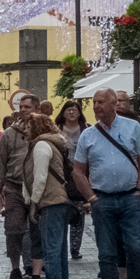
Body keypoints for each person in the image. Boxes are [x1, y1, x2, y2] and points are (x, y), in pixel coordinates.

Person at [73, 88, 140, 279]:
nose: (96, 106)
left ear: (113, 103)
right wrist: (92, 197)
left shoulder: (132, 127)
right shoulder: (87, 135)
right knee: (106, 254)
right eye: (94, 102)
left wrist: (139, 189)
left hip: (130, 198)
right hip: (103, 200)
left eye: (100, 102)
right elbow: (78, 171)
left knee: (135, 249)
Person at [0, 94, 44, 279]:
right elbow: (0, 163)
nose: (22, 109)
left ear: (36, 108)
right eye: (21, 106)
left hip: (38, 188)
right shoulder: (9, 134)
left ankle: (37, 273)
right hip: (14, 187)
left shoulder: (44, 131)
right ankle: (15, 270)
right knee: (12, 230)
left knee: (37, 231)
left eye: (27, 106)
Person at [24, 113, 71, 279]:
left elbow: (40, 177)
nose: (25, 130)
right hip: (60, 199)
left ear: (36, 128)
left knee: (50, 247)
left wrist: (34, 201)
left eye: (28, 127)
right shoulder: (53, 144)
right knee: (58, 248)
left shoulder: (41, 145)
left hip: (50, 200)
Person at [55, 100, 90, 259]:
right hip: (61, 175)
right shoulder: (57, 131)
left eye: (74, 110)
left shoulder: (86, 129)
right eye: (68, 110)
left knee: (78, 211)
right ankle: (61, 244)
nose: (71, 112)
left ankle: (75, 247)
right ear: (63, 113)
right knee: (62, 210)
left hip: (80, 173)